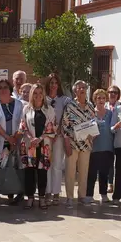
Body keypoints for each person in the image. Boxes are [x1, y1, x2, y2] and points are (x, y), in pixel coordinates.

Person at [19, 83, 57, 209]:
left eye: (40, 93)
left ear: (44, 95)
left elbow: (51, 128)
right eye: (35, 93)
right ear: (31, 95)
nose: (38, 96)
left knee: (42, 172)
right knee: (29, 172)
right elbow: (23, 126)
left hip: (44, 145)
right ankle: (30, 197)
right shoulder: (26, 109)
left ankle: (41, 198)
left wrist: (39, 139)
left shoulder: (49, 110)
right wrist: (31, 138)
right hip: (30, 145)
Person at [0, 79, 24, 206]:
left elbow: (22, 122)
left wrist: (16, 137)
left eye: (5, 87)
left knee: (14, 166)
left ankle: (12, 194)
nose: (3, 90)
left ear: (10, 89)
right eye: (0, 88)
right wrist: (8, 138)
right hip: (1, 141)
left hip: (17, 140)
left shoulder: (19, 104)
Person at [62, 80, 95, 207]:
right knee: (70, 171)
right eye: (79, 88)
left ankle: (82, 196)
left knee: (84, 171)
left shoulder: (90, 106)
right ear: (75, 90)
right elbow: (65, 126)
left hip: (86, 144)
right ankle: (69, 197)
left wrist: (93, 135)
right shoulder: (70, 106)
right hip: (72, 143)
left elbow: (93, 123)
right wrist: (66, 143)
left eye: (84, 88)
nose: (82, 90)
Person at [44, 73, 70, 206]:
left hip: (59, 136)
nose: (53, 85)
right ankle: (47, 191)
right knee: (46, 164)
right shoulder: (43, 99)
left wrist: (59, 130)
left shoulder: (65, 100)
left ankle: (56, 192)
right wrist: (49, 133)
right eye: (51, 83)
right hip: (47, 137)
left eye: (55, 83)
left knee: (58, 165)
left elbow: (67, 118)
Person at [87, 89, 114, 203]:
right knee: (92, 172)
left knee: (104, 172)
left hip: (108, 147)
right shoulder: (90, 113)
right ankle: (89, 195)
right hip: (94, 148)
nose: (101, 100)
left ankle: (103, 194)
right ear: (95, 99)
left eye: (103, 98)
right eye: (99, 98)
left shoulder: (110, 113)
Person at [106, 84, 121, 193]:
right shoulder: (103, 105)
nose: (112, 94)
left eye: (115, 92)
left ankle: (120, 184)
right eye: (110, 92)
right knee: (109, 162)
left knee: (120, 163)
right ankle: (110, 184)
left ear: (118, 95)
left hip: (119, 136)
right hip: (107, 137)